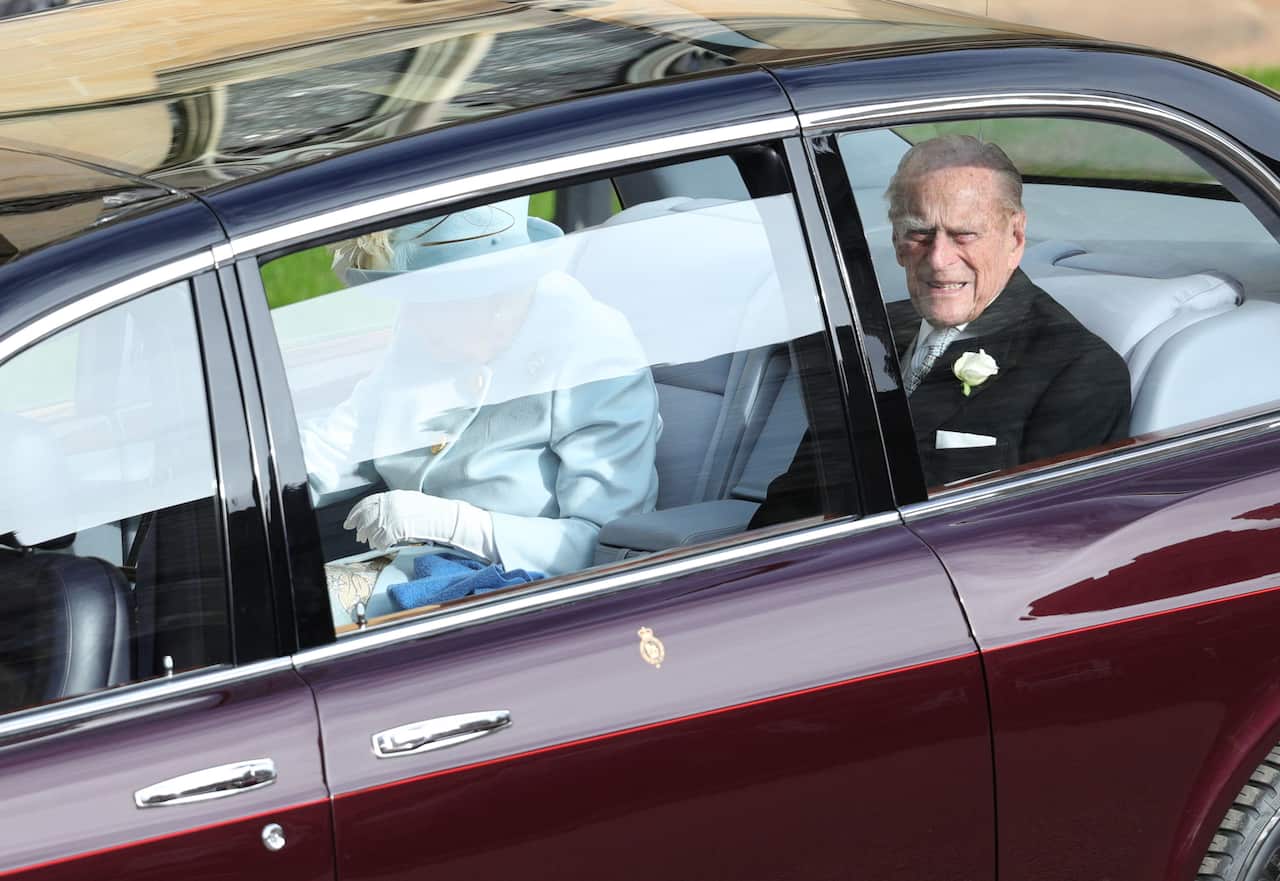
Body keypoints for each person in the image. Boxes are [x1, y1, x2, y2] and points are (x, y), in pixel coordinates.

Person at [753, 135, 1129, 523]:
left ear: (1015, 237)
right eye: (920, 233)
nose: (939, 259)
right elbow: (801, 490)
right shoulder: (867, 333)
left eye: (964, 234)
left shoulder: (1078, 371)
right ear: (897, 240)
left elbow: (1042, 536)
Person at [300, 195, 662, 580]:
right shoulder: (429, 331)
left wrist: (453, 523)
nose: (411, 318)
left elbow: (608, 544)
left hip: (518, 596)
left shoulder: (593, 353)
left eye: (428, 303)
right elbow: (345, 439)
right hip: (404, 566)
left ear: (498, 298)